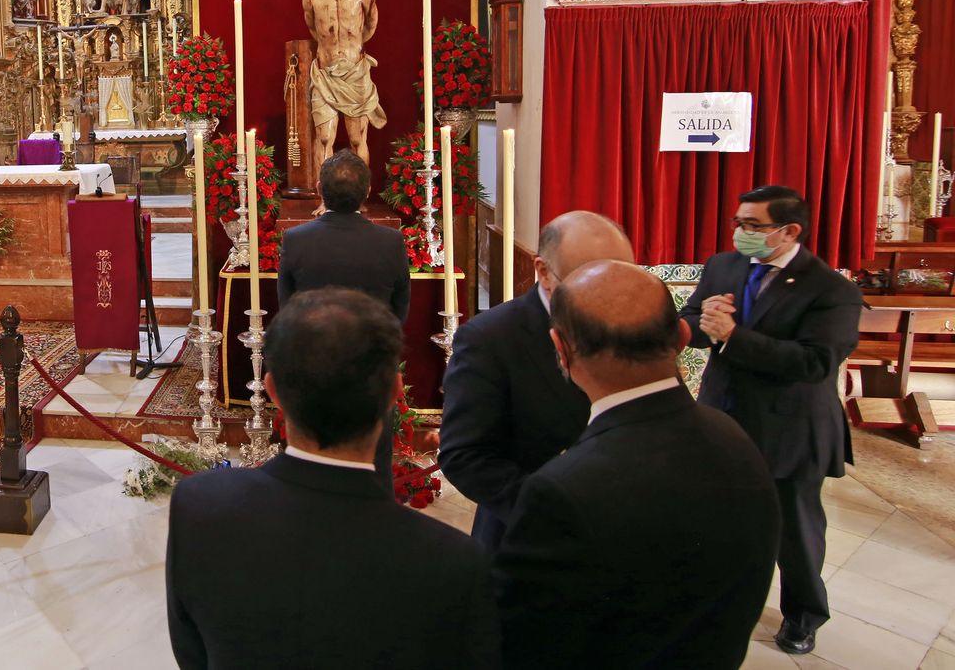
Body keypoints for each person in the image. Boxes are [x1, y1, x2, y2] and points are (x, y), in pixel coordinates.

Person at [166, 288, 499, 669]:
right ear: (395, 392)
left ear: (272, 390)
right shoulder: (455, 562)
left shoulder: (198, 506)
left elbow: (192, 654)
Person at [494, 260, 780, 669]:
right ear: (682, 335)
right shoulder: (735, 438)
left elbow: (520, 646)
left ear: (561, 349)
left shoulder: (561, 491)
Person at [679, 185, 862, 656]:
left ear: (789, 231)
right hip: (724, 417)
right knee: (721, 521)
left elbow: (816, 363)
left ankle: (803, 615)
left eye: (753, 226)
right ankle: (720, 600)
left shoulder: (830, 289)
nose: (741, 233)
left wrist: (734, 336)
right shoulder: (724, 265)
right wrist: (703, 323)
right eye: (738, 223)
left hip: (790, 427)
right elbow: (692, 321)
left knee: (795, 532)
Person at [438, 210, 633, 552]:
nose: (610, 293)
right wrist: (553, 513)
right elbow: (464, 455)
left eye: (621, 276)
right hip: (528, 539)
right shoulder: (491, 338)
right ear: (543, 271)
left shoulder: (636, 320)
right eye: (590, 277)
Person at [277, 150, 409, 320]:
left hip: (311, 343)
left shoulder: (295, 239)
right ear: (368, 191)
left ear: (319, 189)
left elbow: (287, 310)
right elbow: (399, 311)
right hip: (375, 343)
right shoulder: (391, 242)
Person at [301, 0, 383, 173]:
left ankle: (359, 199)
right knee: (324, 137)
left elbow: (370, 26)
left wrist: (352, 49)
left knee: (358, 138)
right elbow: (315, 30)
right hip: (325, 74)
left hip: (355, 73)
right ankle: (325, 198)